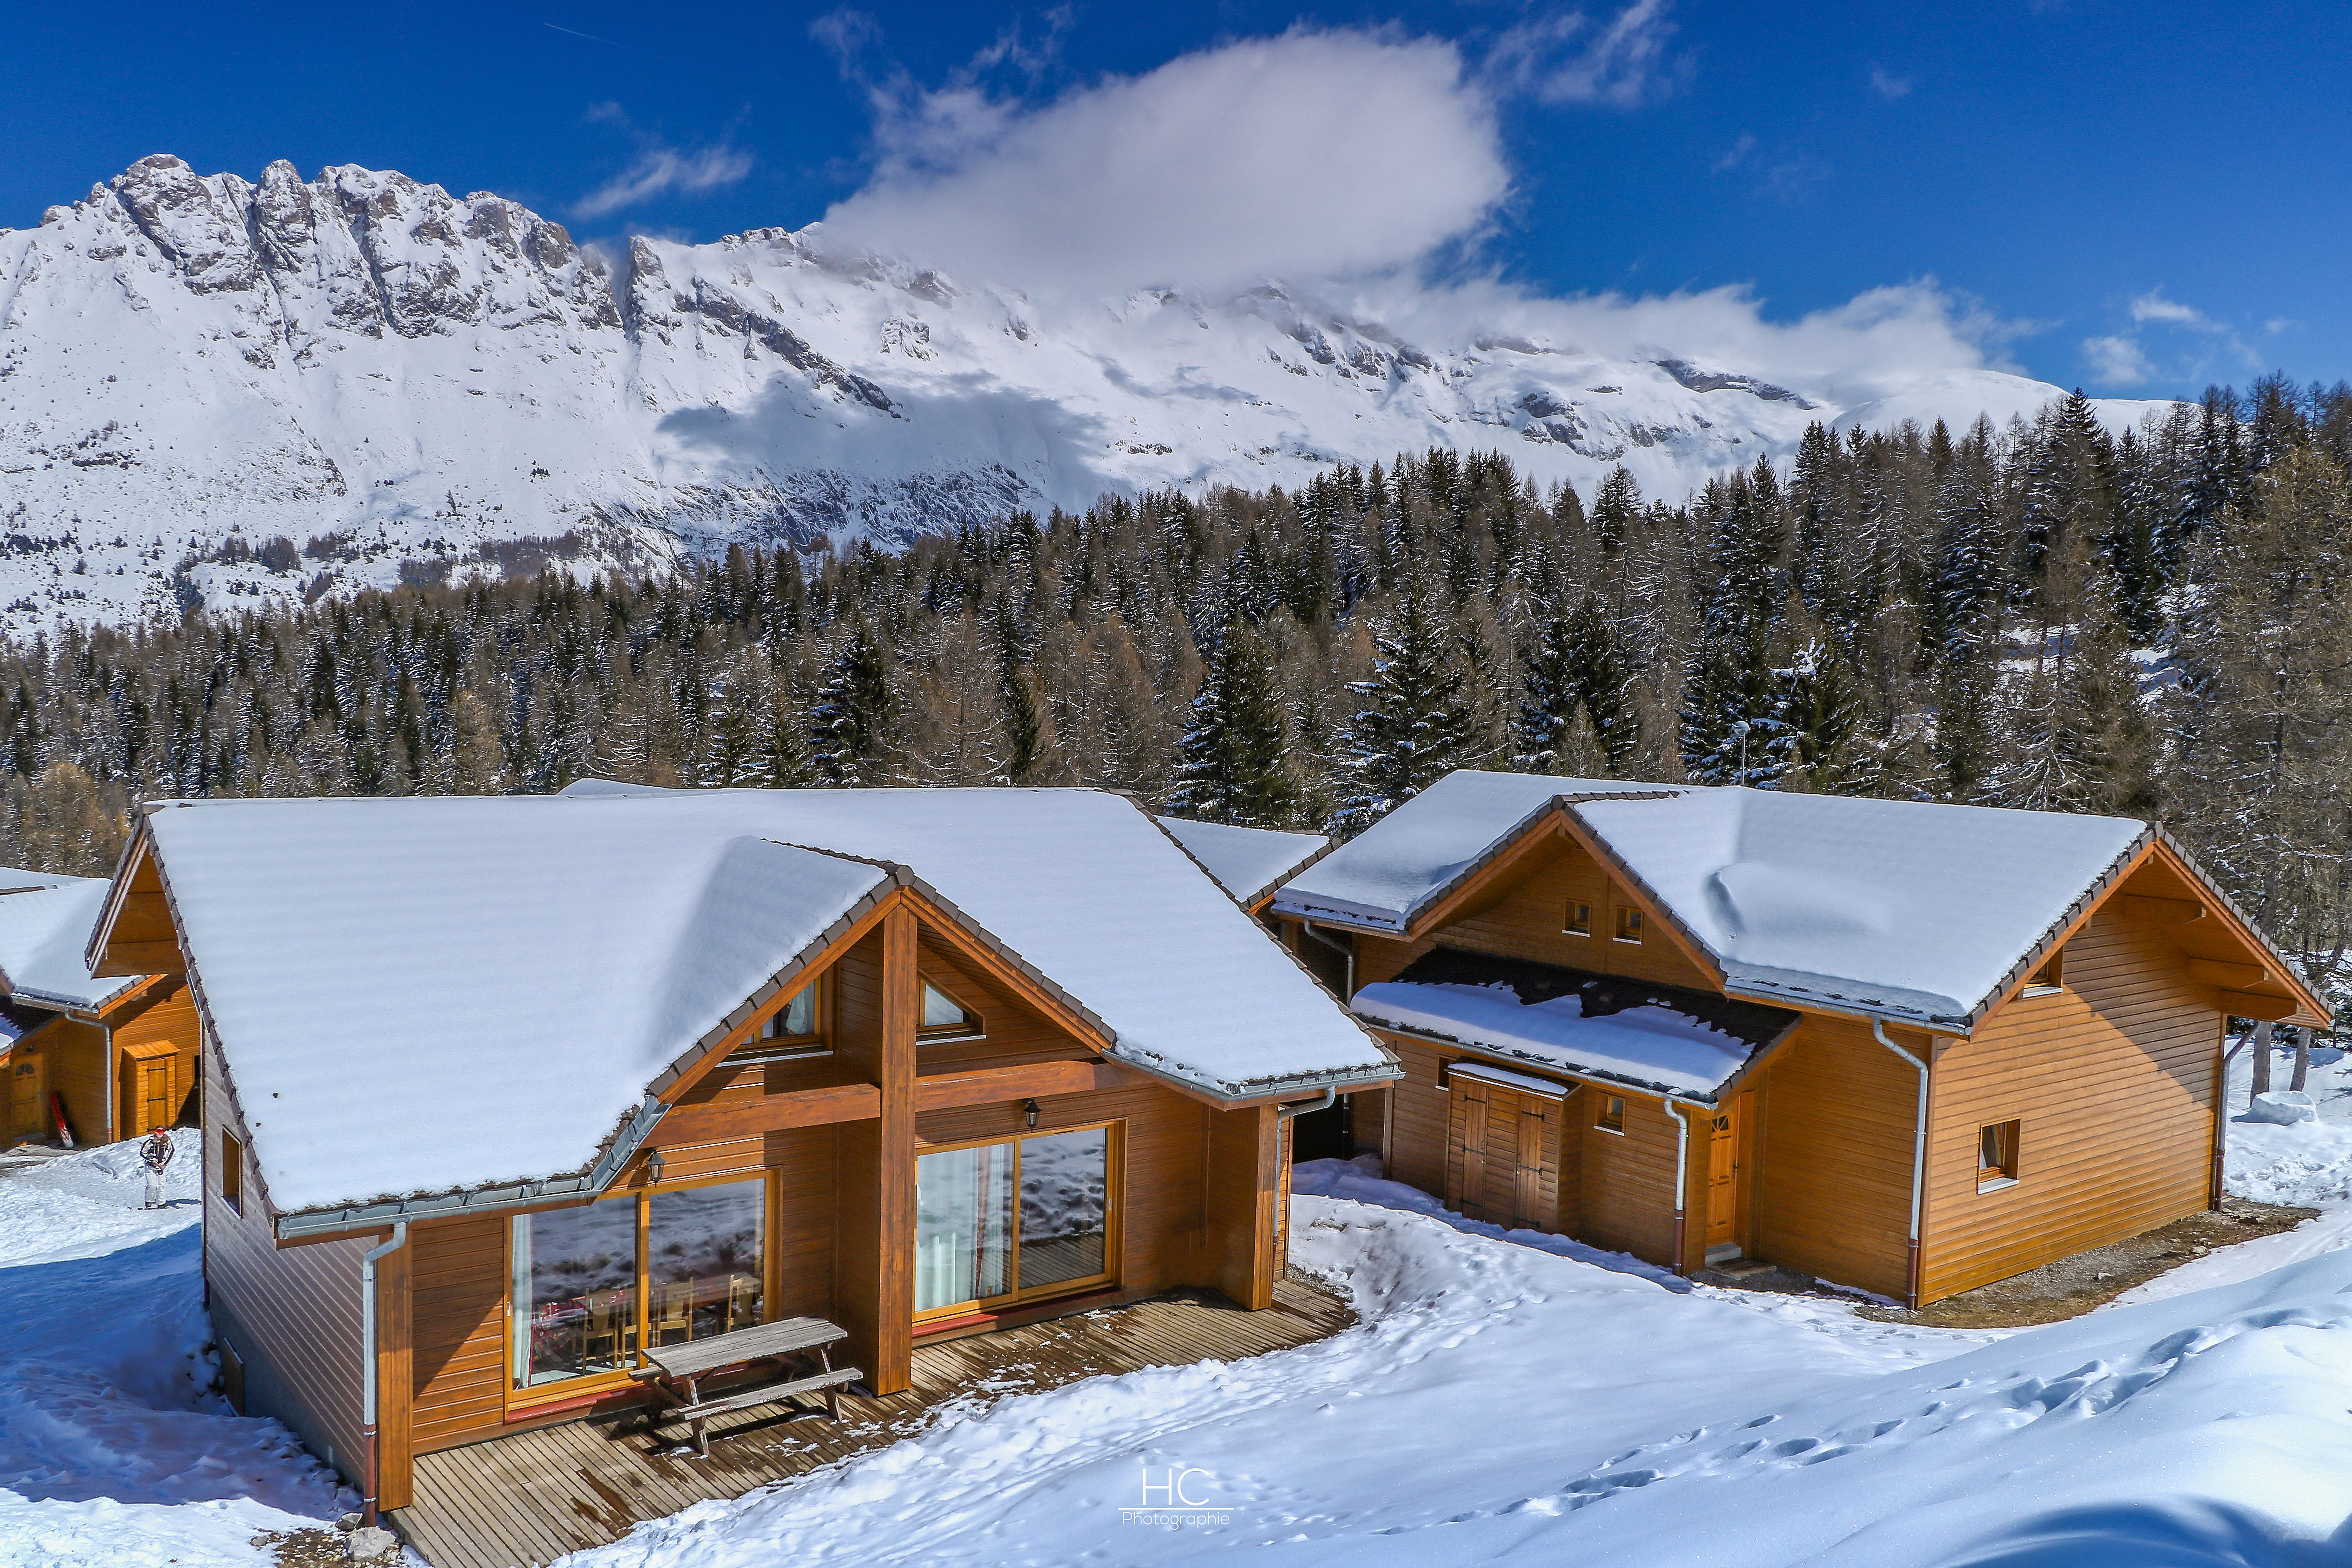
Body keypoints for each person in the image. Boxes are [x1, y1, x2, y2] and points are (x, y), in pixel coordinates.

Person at [140, 1128, 174, 1210]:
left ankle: (161, 1202)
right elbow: (142, 1153)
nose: (160, 1134)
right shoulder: (150, 1142)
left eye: (162, 1132)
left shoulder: (167, 1141)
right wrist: (150, 1158)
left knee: (161, 1185)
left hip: (162, 1167)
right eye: (158, 1132)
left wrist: (165, 1163)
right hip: (150, 1167)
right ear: (155, 1132)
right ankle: (149, 1200)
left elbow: (172, 1151)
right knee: (152, 1185)